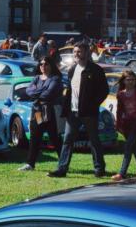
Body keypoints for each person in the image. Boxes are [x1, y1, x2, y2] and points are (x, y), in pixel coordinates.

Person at [48, 42, 109, 178]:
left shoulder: (95, 70)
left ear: (87, 53)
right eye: (75, 52)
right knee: (68, 140)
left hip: (89, 112)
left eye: (79, 52)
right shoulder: (72, 69)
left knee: (94, 140)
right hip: (73, 112)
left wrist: (92, 104)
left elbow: (104, 91)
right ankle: (62, 168)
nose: (76, 54)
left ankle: (99, 168)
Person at [18, 55, 63, 171]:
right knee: (35, 136)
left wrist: (36, 92)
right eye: (41, 64)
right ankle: (30, 164)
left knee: (54, 138)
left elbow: (49, 93)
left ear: (51, 65)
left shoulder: (55, 78)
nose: (43, 66)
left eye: (46, 64)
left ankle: (63, 162)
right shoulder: (37, 78)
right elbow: (28, 91)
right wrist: (40, 92)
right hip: (37, 111)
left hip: (49, 111)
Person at [112, 70, 136, 181]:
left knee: (128, 147)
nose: (131, 82)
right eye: (128, 80)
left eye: (133, 80)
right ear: (123, 81)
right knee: (135, 148)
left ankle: (122, 174)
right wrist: (118, 125)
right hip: (127, 124)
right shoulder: (120, 94)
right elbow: (119, 111)